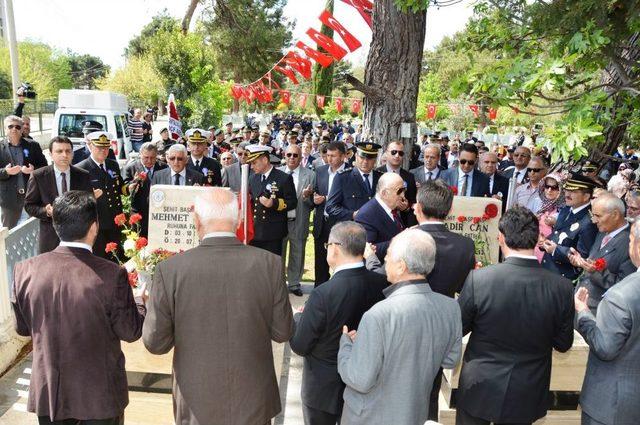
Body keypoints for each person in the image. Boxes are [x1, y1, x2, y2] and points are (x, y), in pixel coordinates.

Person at [143, 188, 293, 425]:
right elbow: (282, 331)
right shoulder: (270, 264)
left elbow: (156, 342)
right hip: (253, 398)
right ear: (239, 219)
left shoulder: (171, 270)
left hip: (196, 399)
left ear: (196, 220)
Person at [12, 190, 146, 425]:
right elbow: (130, 331)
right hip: (99, 397)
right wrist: (139, 302)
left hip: (51, 395)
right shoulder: (111, 275)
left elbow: (23, 329)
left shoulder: (25, 270)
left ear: (55, 225)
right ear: (94, 227)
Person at [456, 206, 574, 425]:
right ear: (537, 237)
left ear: (501, 238)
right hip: (527, 389)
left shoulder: (479, 280)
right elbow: (563, 343)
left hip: (479, 386)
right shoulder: (562, 288)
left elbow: (458, 329)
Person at [337, 229, 462, 424]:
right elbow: (451, 360)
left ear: (401, 266)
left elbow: (360, 379)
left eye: (389, 254)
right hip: (414, 414)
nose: (385, 258)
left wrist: (346, 346)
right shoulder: (450, 308)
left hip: (370, 417)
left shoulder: (378, 315)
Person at [290, 222, 388, 425]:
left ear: (334, 248)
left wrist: (298, 318)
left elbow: (300, 344)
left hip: (323, 390)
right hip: (364, 383)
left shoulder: (323, 293)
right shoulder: (380, 284)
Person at [574, 218, 640, 425]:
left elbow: (605, 348)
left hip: (613, 405)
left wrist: (584, 313)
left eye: (630, 240)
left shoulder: (621, 295)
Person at [25, 136, 93, 253]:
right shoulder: (38, 176)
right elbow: (29, 205)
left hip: (77, 237)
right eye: (59, 151)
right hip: (50, 237)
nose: (64, 155)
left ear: (72, 153)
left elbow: (90, 204)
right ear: (50, 154)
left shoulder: (83, 175)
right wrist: (45, 211)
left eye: (68, 151)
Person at [570, 193, 635, 314]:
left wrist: (595, 271)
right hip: (580, 304)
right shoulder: (603, 231)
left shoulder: (631, 243)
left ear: (615, 215)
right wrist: (582, 262)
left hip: (599, 312)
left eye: (598, 216)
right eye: (592, 215)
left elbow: (624, 287)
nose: (594, 221)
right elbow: (594, 259)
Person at [76, 131, 125, 260]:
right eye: (99, 147)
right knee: (99, 259)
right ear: (90, 146)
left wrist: (129, 187)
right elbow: (75, 200)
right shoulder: (81, 169)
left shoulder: (112, 165)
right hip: (96, 224)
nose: (104, 151)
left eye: (106, 147)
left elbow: (119, 188)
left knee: (116, 258)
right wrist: (90, 197)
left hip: (115, 220)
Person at [541, 174, 599, 280]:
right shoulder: (566, 209)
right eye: (567, 190)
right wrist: (544, 241)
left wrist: (555, 250)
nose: (567, 194)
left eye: (573, 192)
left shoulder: (589, 222)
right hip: (547, 269)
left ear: (586, 196)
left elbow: (583, 257)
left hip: (562, 278)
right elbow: (558, 234)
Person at [246, 144, 297, 256]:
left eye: (254, 163)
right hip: (255, 231)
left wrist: (274, 203)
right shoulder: (252, 178)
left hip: (273, 233)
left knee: (271, 267)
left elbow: (292, 202)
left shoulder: (283, 178)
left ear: (264, 160)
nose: (252, 166)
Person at [278, 144, 315, 296]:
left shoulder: (310, 175)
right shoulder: (278, 173)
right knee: (279, 254)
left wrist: (307, 197)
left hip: (299, 220)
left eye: (295, 155)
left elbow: (313, 204)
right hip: (280, 222)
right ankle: (278, 284)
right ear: (284, 156)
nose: (292, 158)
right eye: (289, 155)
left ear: (301, 158)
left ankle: (294, 283)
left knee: (297, 253)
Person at [0, 115, 48, 228]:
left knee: (32, 229)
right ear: (5, 128)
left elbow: (45, 167)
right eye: (10, 126)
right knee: (10, 232)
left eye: (17, 127)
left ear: (22, 129)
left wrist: (33, 171)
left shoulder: (33, 145)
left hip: (31, 196)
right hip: (9, 200)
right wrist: (6, 172)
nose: (14, 129)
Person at [313, 142, 347, 286]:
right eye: (327, 155)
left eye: (333, 156)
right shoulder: (320, 171)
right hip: (322, 222)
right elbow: (315, 191)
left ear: (343, 156)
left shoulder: (351, 173)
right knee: (321, 262)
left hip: (341, 224)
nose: (330, 159)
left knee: (341, 261)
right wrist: (312, 196)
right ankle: (319, 292)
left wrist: (326, 198)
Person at [326, 142, 383, 222]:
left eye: (369, 158)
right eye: (362, 157)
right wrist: (352, 214)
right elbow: (330, 207)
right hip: (352, 228)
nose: (365, 161)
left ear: (375, 159)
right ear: (356, 156)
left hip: (376, 228)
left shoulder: (381, 178)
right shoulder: (343, 177)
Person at [355, 172, 406, 260]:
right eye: (399, 191)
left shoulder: (391, 208)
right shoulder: (366, 215)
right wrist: (402, 239)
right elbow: (367, 251)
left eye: (404, 190)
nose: (403, 195)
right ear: (384, 193)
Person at [123, 142, 167, 237]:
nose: (149, 161)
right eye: (146, 157)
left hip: (159, 212)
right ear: (140, 155)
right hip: (138, 212)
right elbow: (124, 188)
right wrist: (132, 184)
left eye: (153, 157)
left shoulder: (164, 167)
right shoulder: (131, 168)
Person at [379, 140, 417, 224]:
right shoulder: (377, 174)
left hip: (402, 223)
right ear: (386, 153)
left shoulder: (409, 177)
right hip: (380, 221)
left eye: (400, 153)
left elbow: (413, 203)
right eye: (393, 152)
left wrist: (406, 207)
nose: (397, 156)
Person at [535, 173, 564, 262]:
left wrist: (556, 223)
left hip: (550, 255)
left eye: (554, 187)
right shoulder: (538, 203)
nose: (549, 190)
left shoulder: (565, 209)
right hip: (534, 251)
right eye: (547, 186)